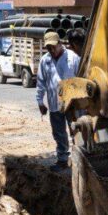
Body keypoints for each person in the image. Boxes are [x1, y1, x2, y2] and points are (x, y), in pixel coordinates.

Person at [36, 31, 80, 172]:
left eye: (54, 47)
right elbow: (41, 82)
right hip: (54, 104)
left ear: (60, 44)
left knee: (76, 131)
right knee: (59, 132)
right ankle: (62, 159)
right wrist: (40, 101)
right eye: (49, 48)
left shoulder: (73, 58)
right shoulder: (45, 60)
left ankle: (80, 160)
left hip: (72, 104)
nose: (52, 50)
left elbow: (81, 79)